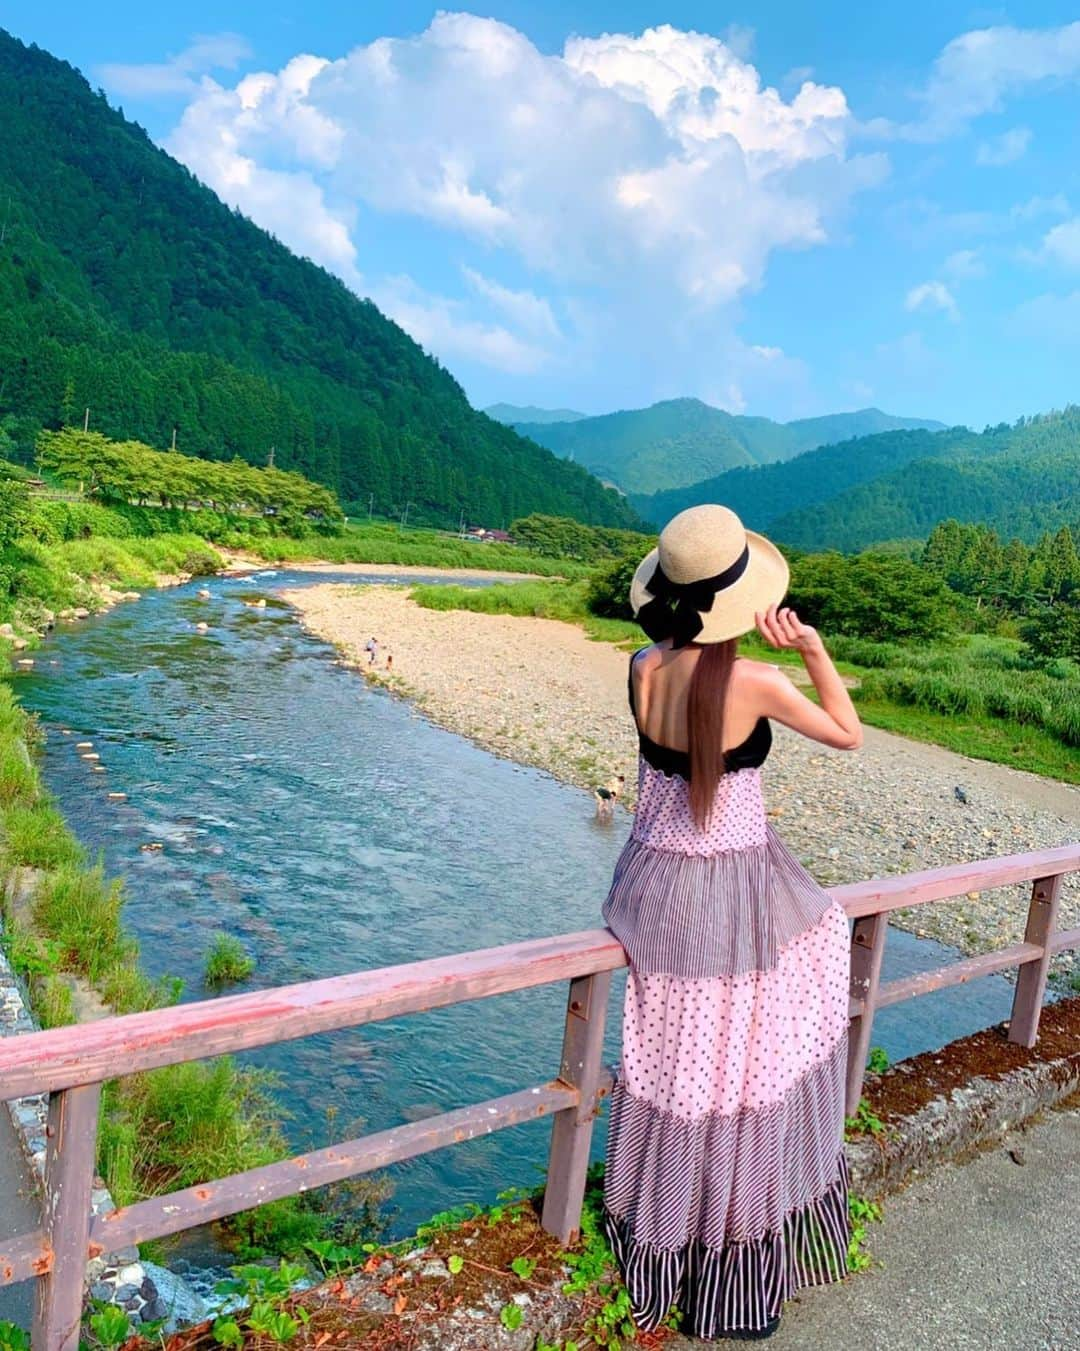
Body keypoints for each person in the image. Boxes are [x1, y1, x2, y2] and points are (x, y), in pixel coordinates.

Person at [601, 503, 861, 1342]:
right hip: (732, 896)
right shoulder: (756, 682)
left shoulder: (642, 663)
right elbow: (848, 734)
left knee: (672, 1071)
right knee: (740, 1072)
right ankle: (728, 1280)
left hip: (651, 887)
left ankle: (657, 1244)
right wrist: (813, 648)